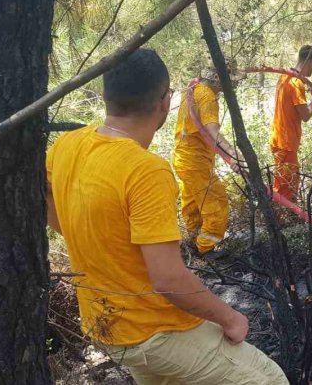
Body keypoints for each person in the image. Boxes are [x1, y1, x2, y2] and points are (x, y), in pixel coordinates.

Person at [46, 49, 287, 384]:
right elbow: (167, 278)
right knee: (269, 379)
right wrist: (230, 317)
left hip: (105, 327)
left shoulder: (66, 145)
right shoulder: (146, 171)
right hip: (153, 332)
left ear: (105, 96)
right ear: (165, 102)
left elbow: (60, 221)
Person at [172, 68, 240, 255]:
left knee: (193, 203)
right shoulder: (208, 97)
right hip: (195, 163)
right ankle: (206, 249)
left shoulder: (194, 88)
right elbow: (212, 131)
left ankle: (192, 240)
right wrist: (234, 155)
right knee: (216, 203)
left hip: (183, 159)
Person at [270, 45, 312, 202]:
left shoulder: (285, 77)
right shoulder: (295, 83)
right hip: (286, 142)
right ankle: (282, 221)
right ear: (309, 61)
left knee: (284, 182)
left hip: (280, 140)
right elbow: (305, 115)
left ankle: (283, 218)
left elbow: (297, 109)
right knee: (287, 186)